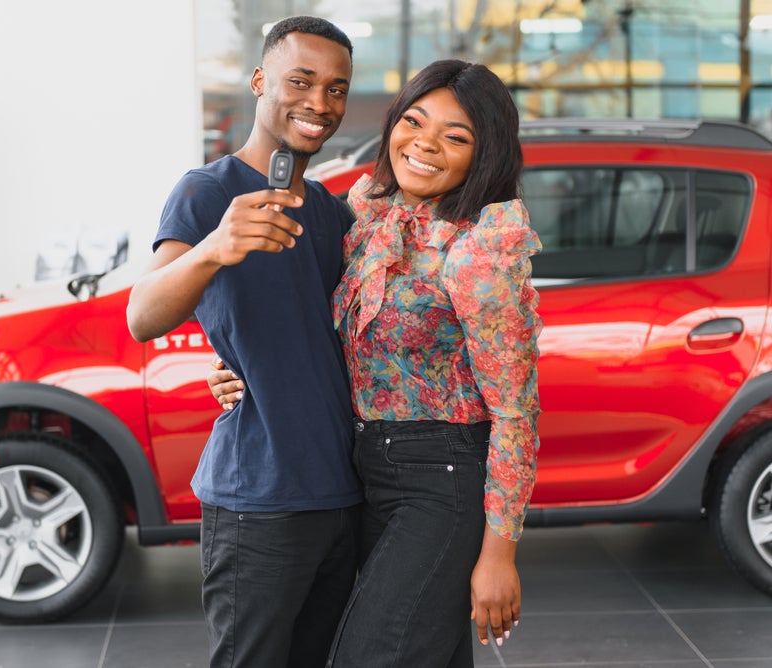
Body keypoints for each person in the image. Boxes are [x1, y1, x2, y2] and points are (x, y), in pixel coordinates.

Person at [210, 59, 542, 667]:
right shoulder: (368, 215)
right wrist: (243, 371)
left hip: (441, 477)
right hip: (363, 470)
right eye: (414, 121)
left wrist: (500, 554)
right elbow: (325, 329)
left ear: (485, 154)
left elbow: (517, 414)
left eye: (456, 136)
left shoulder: (480, 250)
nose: (426, 144)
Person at [125, 16, 363, 668]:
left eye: (337, 88)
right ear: (260, 81)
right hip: (257, 500)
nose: (320, 103)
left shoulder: (329, 212)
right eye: (301, 81)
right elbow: (142, 314)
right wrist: (214, 250)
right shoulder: (207, 193)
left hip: (341, 493)